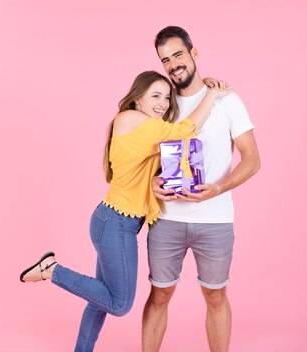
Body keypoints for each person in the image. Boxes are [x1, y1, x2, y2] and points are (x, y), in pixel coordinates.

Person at [19, 70, 231, 352]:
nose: (163, 103)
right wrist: (212, 94)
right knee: (119, 303)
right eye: (155, 96)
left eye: (167, 98)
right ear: (137, 98)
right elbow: (184, 130)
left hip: (112, 221)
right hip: (117, 223)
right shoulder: (133, 119)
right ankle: (52, 270)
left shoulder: (143, 126)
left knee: (99, 301)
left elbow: (156, 164)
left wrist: (157, 181)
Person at [141, 26, 261, 352]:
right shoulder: (160, 105)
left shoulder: (227, 100)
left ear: (194, 54)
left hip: (216, 220)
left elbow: (252, 159)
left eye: (178, 54)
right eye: (165, 59)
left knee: (216, 295)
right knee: (160, 294)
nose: (173, 64)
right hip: (166, 220)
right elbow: (142, 156)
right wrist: (151, 182)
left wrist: (219, 187)